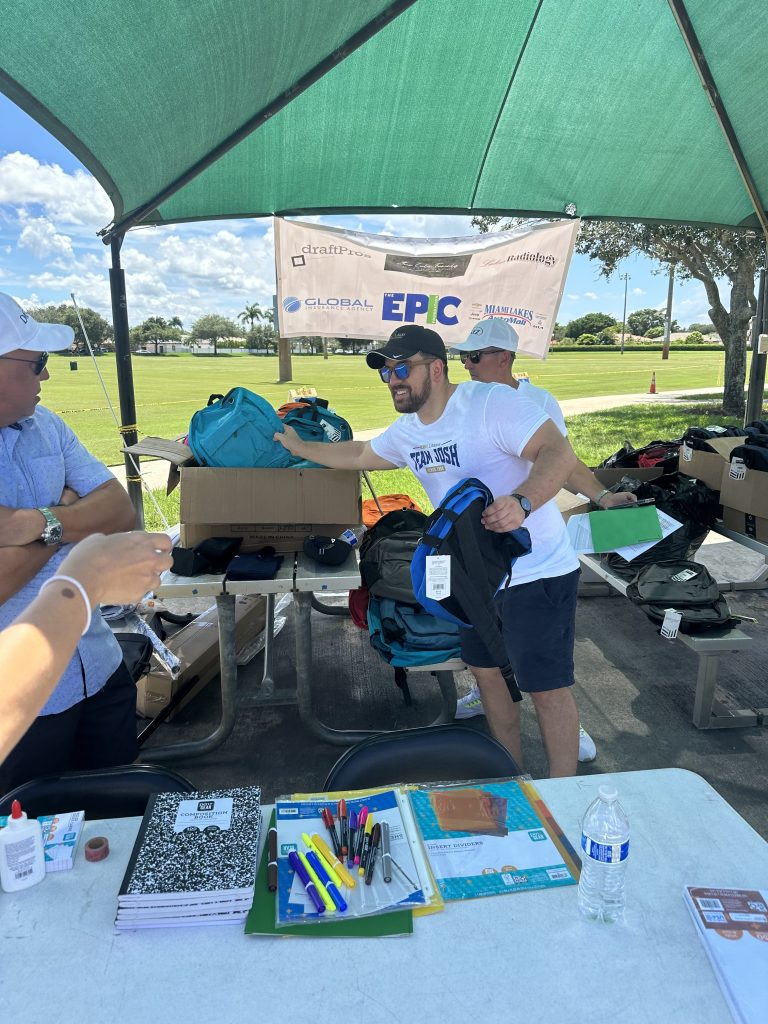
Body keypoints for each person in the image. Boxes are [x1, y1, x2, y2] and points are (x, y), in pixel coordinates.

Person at [275, 323, 583, 777]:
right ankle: (514, 778)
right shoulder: (408, 431)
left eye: (403, 367)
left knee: (546, 688)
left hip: (536, 571)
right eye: (386, 371)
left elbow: (558, 453)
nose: (393, 378)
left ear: (436, 368)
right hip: (476, 581)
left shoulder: (490, 403)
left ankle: (564, 792)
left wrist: (522, 501)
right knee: (487, 677)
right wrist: (302, 446)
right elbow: (360, 454)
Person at [449, 317, 637, 757]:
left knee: (547, 676)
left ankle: (568, 739)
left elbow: (564, 462)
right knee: (490, 665)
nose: (468, 366)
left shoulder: (536, 401)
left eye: (475, 357)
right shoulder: (463, 402)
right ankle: (508, 759)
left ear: (504, 358)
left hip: (536, 559)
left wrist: (604, 497)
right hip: (481, 562)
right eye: (463, 357)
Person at [0, 292, 138, 793]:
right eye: (36, 363)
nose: (47, 376)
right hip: (20, 705)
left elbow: (120, 510)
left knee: (121, 823)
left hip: (98, 668)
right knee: (29, 856)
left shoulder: (47, 427)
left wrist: (28, 524)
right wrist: (61, 522)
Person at [1, 531, 173, 765]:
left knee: (120, 787)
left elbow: (118, 513)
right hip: (28, 705)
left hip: (102, 666)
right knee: (37, 799)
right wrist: (82, 576)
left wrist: (40, 530)